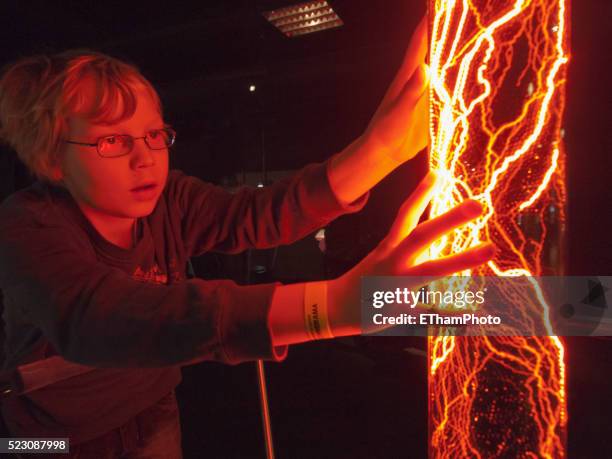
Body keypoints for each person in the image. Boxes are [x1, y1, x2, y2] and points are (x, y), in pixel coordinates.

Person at [0, 18, 493, 458]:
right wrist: (334, 306)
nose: (145, 157)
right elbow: (98, 317)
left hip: (151, 415)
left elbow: (255, 215)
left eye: (154, 135)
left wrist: (378, 151)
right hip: (47, 438)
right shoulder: (27, 225)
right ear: (50, 160)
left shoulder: (171, 200)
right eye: (112, 140)